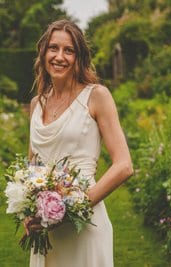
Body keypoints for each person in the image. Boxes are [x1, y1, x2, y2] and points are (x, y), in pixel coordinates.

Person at [24, 19, 133, 266]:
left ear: (79, 57)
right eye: (53, 48)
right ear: (43, 53)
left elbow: (124, 165)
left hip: (85, 225)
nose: (59, 56)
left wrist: (71, 210)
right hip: (47, 230)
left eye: (68, 50)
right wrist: (28, 210)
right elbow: (33, 165)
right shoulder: (36, 104)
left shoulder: (96, 96)